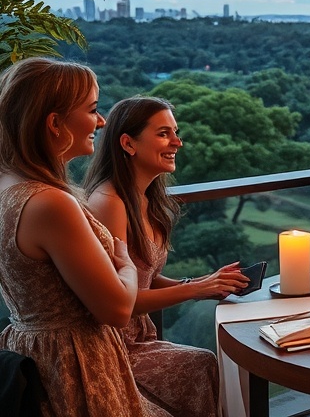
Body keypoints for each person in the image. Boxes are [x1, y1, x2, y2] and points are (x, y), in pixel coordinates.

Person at [0, 58, 170, 416]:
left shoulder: (7, 186)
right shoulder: (50, 203)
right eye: (93, 109)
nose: (102, 121)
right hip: (76, 364)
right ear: (55, 123)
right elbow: (118, 309)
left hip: (30, 350)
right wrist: (124, 264)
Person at [83, 96, 248, 416]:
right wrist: (194, 290)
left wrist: (201, 283)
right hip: (113, 344)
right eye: (163, 134)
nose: (178, 142)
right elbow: (122, 300)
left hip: (139, 335)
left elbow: (144, 276)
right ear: (128, 143)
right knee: (201, 364)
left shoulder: (147, 198)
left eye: (176, 131)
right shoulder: (109, 202)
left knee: (204, 364)